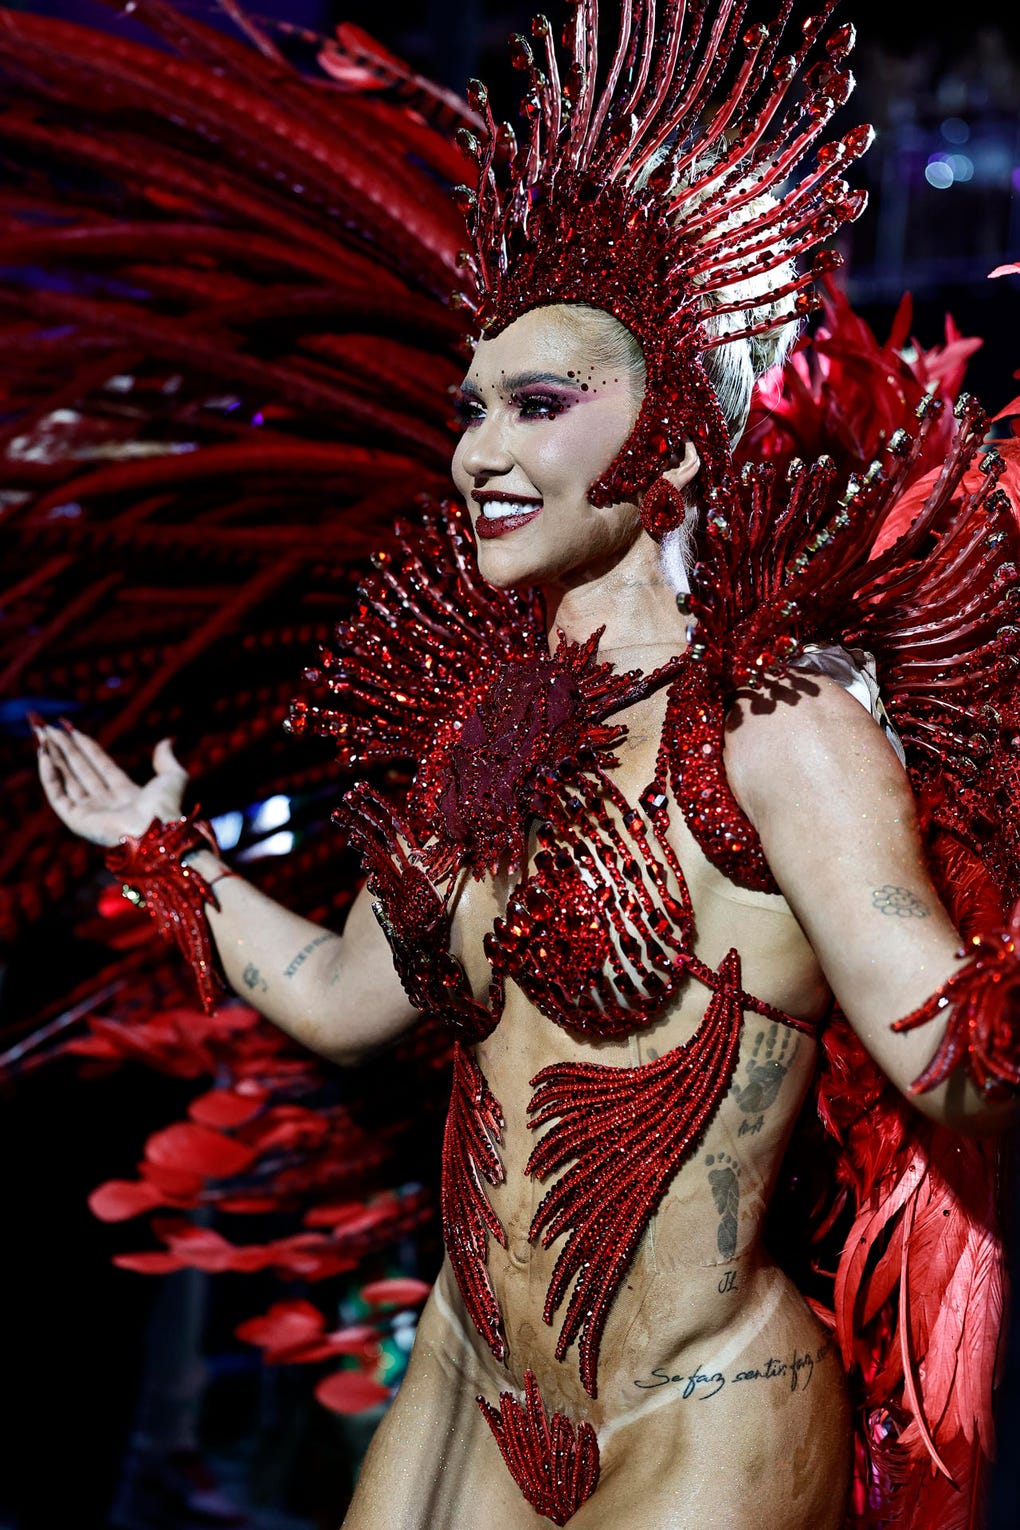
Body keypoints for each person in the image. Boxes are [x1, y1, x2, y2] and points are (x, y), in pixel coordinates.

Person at [33, 2, 1020, 1526]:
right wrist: (172, 855)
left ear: (677, 443)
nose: (478, 452)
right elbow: (348, 1000)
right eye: (472, 411)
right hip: (474, 1388)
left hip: (705, 1423)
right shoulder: (482, 734)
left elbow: (958, 1086)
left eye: (539, 407)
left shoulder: (773, 728)